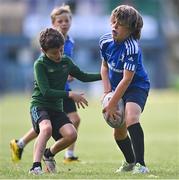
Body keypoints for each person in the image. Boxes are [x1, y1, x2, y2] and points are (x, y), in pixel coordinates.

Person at [10, 5, 83, 164]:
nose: (64, 23)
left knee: (70, 120)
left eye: (67, 20)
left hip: (64, 89)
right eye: (60, 21)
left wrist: (69, 74)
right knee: (46, 125)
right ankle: (30, 150)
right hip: (53, 92)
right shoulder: (50, 41)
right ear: (53, 23)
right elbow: (47, 66)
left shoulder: (70, 41)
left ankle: (23, 144)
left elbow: (65, 64)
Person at [27, 27, 101, 174]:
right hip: (39, 106)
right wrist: (70, 95)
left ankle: (49, 154)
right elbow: (46, 92)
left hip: (56, 108)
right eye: (54, 53)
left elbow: (84, 76)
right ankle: (35, 166)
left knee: (71, 135)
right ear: (43, 51)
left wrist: (105, 75)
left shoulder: (66, 61)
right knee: (46, 129)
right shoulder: (40, 64)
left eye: (61, 50)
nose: (59, 55)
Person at [100, 5, 150, 174]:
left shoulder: (132, 48)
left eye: (120, 24)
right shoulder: (105, 41)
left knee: (131, 117)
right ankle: (130, 161)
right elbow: (104, 67)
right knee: (118, 133)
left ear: (130, 30)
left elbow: (127, 79)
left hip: (136, 86)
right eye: (113, 22)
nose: (114, 26)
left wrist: (113, 103)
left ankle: (141, 165)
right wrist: (107, 92)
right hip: (116, 87)